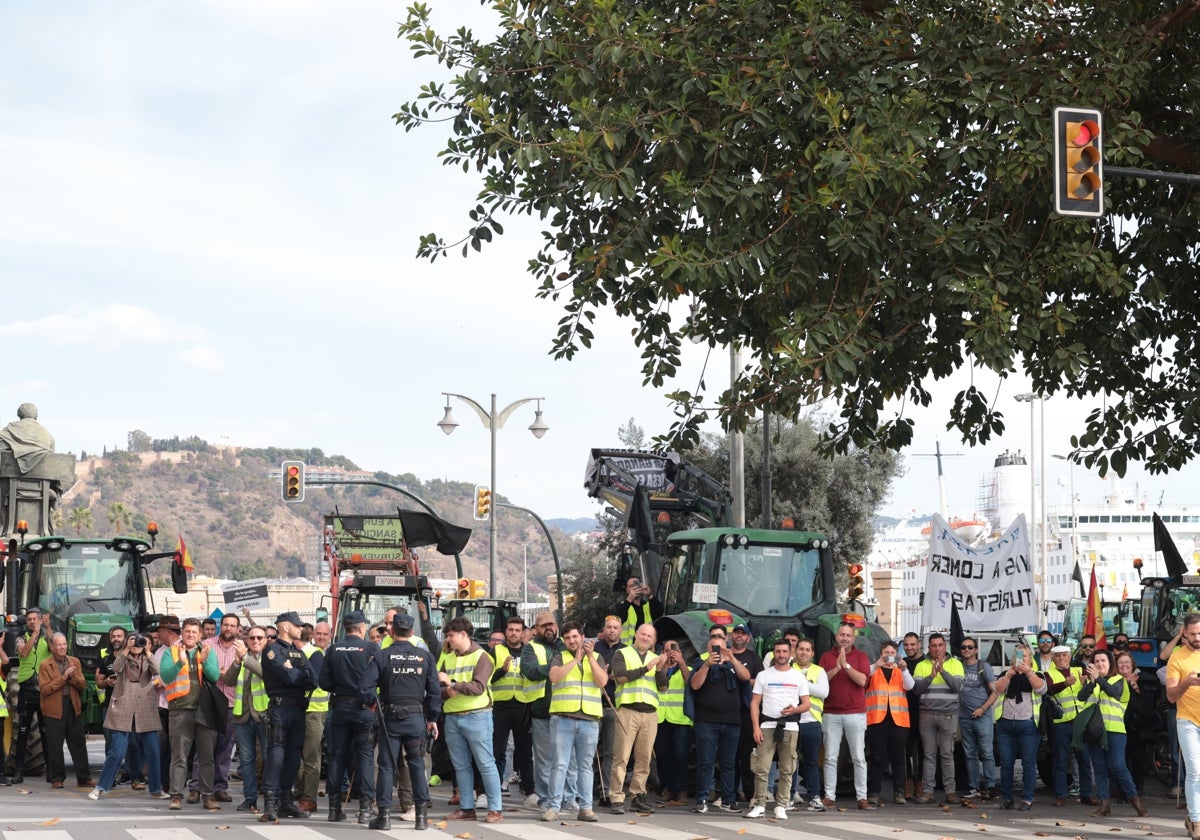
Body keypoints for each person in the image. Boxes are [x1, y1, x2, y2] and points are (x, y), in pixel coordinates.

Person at [366, 611, 442, 830]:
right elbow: (434, 691)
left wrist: (374, 702)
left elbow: (365, 688)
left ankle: (384, 816)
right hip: (416, 717)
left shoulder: (382, 655)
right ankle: (420, 817)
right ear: (411, 631)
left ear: (392, 631)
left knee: (387, 765)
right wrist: (433, 718)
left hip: (390, 717)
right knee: (417, 765)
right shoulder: (424, 656)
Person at [440, 616, 503, 823]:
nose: (448, 639)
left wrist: (454, 684)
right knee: (461, 766)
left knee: (485, 763)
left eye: (450, 635)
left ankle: (495, 809)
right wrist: (446, 691)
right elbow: (435, 686)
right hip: (453, 716)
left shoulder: (482, 657)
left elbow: (478, 688)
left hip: (477, 715)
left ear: (463, 634)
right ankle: (467, 807)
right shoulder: (447, 657)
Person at [542, 621, 607, 822]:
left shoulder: (596, 657)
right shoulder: (559, 657)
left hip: (589, 720)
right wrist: (575, 660)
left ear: (582, 637)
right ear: (563, 640)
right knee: (559, 764)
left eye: (575, 637)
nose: (572, 640)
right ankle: (553, 807)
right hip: (563, 719)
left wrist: (588, 658)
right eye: (568, 637)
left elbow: (602, 681)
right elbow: (554, 677)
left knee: (585, 766)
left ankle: (586, 808)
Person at [89, 633, 166, 800]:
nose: (137, 645)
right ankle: (101, 787)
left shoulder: (148, 658)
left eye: (140, 642)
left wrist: (147, 651)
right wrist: (125, 650)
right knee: (116, 751)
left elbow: (158, 671)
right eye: (134, 642)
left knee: (153, 750)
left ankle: (155, 789)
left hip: (145, 706)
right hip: (123, 706)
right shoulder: (122, 657)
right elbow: (115, 668)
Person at [319, 609, 378, 825]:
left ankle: (334, 809)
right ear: (362, 628)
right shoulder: (371, 648)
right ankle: (364, 809)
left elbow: (323, 682)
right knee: (364, 757)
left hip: (341, 706)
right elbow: (379, 677)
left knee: (337, 756)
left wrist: (340, 687)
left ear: (345, 628)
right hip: (364, 708)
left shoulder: (334, 649)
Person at [259, 611, 318, 822]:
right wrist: (297, 674)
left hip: (297, 709)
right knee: (276, 755)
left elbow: (313, 679)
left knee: (294, 755)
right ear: (285, 627)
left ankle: (285, 800)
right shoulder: (272, 651)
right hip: (280, 708)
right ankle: (270, 803)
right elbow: (289, 677)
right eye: (296, 625)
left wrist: (296, 673)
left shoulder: (297, 651)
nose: (300, 628)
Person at [159, 617, 221, 810]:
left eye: (194, 632)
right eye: (188, 632)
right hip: (180, 710)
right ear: (182, 633)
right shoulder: (171, 652)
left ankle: (208, 795)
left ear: (200, 634)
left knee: (206, 756)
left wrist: (203, 662)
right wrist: (180, 663)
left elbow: (215, 676)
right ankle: (176, 796)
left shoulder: (207, 652)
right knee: (179, 755)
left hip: (204, 711)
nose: (191, 635)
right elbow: (166, 676)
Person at [1078, 648, 1148, 817]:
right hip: (1095, 732)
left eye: (1103, 661)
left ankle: (1134, 799)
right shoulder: (1092, 681)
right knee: (1100, 768)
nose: (1100, 664)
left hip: (1115, 730)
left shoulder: (1119, 680)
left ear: (1110, 664)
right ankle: (1104, 804)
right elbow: (1081, 697)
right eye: (1096, 661)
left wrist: (1099, 679)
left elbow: (1114, 692)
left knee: (1117, 765)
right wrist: (1092, 682)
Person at [746, 639, 810, 819]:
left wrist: (795, 709)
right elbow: (755, 703)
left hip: (790, 727)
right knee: (761, 767)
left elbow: (806, 704)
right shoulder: (764, 675)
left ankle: (781, 805)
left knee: (787, 768)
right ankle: (759, 804)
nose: (781, 655)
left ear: (791, 654)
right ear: (773, 653)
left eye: (784, 651)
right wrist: (756, 727)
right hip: (767, 726)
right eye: (778, 651)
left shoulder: (798, 677)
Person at [608, 623, 668, 815]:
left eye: (650, 636)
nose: (645, 638)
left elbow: (663, 687)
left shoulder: (655, 659)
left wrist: (659, 670)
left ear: (654, 640)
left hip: (650, 714)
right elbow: (620, 677)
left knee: (644, 759)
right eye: (643, 634)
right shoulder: (623, 654)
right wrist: (646, 668)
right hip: (628, 711)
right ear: (636, 635)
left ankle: (637, 796)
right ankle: (616, 797)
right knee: (622, 757)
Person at [690, 624, 750, 814]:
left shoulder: (733, 664)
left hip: (732, 722)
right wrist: (708, 664)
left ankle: (728, 799)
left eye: (721, 646)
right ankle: (701, 799)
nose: (717, 650)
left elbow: (746, 677)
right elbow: (695, 685)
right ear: (708, 649)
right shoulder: (701, 664)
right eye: (713, 647)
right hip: (706, 722)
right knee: (706, 763)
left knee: (728, 763)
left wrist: (731, 657)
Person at [520, 611, 570, 812]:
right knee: (544, 760)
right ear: (536, 629)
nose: (548, 628)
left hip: (566, 710)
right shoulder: (530, 648)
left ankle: (566, 798)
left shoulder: (565, 645)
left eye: (551, 624)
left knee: (566, 759)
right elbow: (531, 671)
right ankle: (544, 797)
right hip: (542, 712)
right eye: (543, 625)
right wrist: (555, 667)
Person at [820, 623, 873, 810]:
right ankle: (829, 796)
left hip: (855, 713)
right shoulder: (826, 657)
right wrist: (836, 667)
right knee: (830, 758)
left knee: (858, 757)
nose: (844, 638)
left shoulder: (861, 657)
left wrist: (846, 665)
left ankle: (862, 797)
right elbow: (821, 682)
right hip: (831, 713)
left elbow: (863, 681)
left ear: (853, 638)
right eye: (842, 634)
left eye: (848, 635)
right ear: (836, 636)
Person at [191, 613, 240, 805]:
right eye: (225, 625)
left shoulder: (240, 648)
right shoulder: (207, 644)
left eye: (232, 625)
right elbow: (203, 670)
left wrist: (222, 672)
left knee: (224, 749)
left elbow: (236, 674)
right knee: (203, 750)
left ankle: (220, 787)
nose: (228, 628)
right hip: (209, 703)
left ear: (237, 629)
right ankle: (196, 787)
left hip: (230, 704)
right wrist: (221, 672)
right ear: (221, 626)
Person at [989, 642, 1045, 811]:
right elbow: (997, 690)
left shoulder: (1037, 674)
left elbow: (1041, 689)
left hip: (1028, 724)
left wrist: (1028, 672)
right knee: (1006, 763)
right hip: (1006, 724)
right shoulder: (1007, 673)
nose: (1021, 659)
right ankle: (1007, 798)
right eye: (1017, 656)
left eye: (1024, 656)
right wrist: (1009, 676)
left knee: (1028, 762)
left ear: (1030, 659)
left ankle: (1027, 798)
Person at [221, 623, 269, 813]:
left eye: (259, 638)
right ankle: (250, 799)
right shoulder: (242, 658)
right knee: (247, 760)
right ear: (247, 640)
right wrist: (236, 662)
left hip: (264, 716)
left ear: (265, 640)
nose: (255, 641)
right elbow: (229, 680)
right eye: (252, 638)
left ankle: (271, 798)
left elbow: (265, 674)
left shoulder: (270, 657)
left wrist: (245, 658)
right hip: (242, 716)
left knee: (269, 758)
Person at [490, 616, 537, 809]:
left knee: (525, 752)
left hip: (523, 706)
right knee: (496, 751)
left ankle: (530, 792)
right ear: (506, 632)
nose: (514, 633)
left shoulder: (529, 651)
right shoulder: (495, 651)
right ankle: (490, 790)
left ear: (523, 632)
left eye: (518, 630)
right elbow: (487, 678)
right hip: (501, 706)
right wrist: (502, 670)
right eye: (510, 629)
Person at [912, 632, 964, 805]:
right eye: (933, 645)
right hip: (927, 714)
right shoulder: (921, 665)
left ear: (945, 646)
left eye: (940, 645)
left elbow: (958, 687)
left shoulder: (956, 664)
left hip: (948, 714)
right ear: (929, 648)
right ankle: (928, 791)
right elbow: (917, 689)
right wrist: (932, 675)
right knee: (928, 754)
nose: (937, 648)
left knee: (947, 753)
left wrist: (943, 671)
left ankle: (950, 791)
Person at [39, 632, 92, 789]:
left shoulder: (74, 661)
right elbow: (45, 689)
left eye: (64, 644)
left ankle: (84, 778)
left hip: (73, 706)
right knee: (55, 745)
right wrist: (63, 678)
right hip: (54, 708)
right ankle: (57, 778)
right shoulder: (45, 665)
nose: (62, 647)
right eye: (59, 645)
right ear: (53, 647)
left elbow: (82, 685)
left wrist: (73, 677)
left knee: (78, 743)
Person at [1044, 644, 1093, 806]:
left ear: (1070, 657)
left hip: (1080, 723)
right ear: (1053, 658)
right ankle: (1060, 795)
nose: (1062, 658)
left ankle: (1086, 794)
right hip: (1061, 723)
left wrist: (1086, 682)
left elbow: (1092, 686)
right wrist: (1065, 684)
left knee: (1084, 759)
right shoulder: (1048, 674)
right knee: (1060, 760)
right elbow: (1048, 690)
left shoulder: (1080, 671)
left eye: (1065, 655)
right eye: (1058, 656)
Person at [865, 641, 912, 806]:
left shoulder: (900, 672)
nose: (889, 654)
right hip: (877, 719)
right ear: (881, 653)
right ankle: (874, 792)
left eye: (892, 651)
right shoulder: (874, 670)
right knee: (877, 758)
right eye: (886, 651)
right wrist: (876, 665)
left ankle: (899, 792)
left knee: (898, 758)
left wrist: (905, 669)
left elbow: (910, 686)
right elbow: (864, 679)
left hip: (898, 720)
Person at [1166, 613, 1200, 839]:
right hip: (1187, 720)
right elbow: (1170, 696)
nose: (1198, 637)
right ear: (1184, 634)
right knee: (1195, 771)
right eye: (1193, 633)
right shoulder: (1176, 658)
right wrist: (1186, 683)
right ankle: (1196, 820)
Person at [12, 607, 51, 784]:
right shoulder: (21, 638)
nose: (32, 621)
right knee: (22, 732)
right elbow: (24, 652)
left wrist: (48, 629)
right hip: (27, 691)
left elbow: (56, 648)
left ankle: (51, 770)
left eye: (35, 618)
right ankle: (19, 771)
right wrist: (34, 634)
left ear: (40, 620)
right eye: (29, 619)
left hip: (44, 691)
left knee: (46, 732)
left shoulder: (46, 638)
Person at [728, 622, 764, 805]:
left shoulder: (753, 658)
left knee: (748, 757)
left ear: (748, 638)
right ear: (731, 636)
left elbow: (761, 681)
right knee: (729, 758)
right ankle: (729, 794)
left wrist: (744, 679)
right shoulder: (724, 654)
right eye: (736, 633)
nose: (739, 636)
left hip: (748, 714)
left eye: (743, 634)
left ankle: (751, 795)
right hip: (728, 714)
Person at [654, 639, 692, 806]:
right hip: (660, 718)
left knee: (681, 756)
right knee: (663, 756)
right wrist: (661, 666)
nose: (671, 652)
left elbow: (692, 684)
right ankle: (668, 789)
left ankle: (682, 790)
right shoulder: (657, 669)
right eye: (667, 649)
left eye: (674, 649)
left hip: (680, 719)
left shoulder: (686, 668)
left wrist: (681, 663)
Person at [957, 636, 995, 801]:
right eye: (964, 647)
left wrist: (983, 708)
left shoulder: (983, 667)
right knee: (969, 754)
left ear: (976, 650)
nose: (967, 650)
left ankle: (990, 786)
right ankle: (974, 787)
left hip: (983, 717)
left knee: (987, 753)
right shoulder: (957, 666)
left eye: (970, 647)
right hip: (964, 717)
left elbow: (995, 691)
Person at [297, 622, 329, 814]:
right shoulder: (309, 653)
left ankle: (308, 798)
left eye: (325, 633)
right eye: (319, 633)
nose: (322, 637)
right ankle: (301, 792)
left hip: (316, 711)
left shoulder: (316, 655)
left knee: (311, 757)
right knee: (297, 757)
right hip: (300, 711)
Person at [794, 637, 829, 811]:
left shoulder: (819, 671)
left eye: (808, 649)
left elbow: (824, 692)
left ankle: (814, 796)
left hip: (812, 722)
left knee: (812, 762)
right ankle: (790, 795)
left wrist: (801, 683)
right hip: (792, 722)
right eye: (801, 649)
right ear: (796, 651)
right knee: (790, 762)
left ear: (813, 653)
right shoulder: (788, 668)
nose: (804, 652)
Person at [1116, 650, 1158, 796]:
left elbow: (1147, 705)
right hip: (1119, 726)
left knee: (1138, 762)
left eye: (1127, 662)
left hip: (1137, 729)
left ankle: (1137, 792)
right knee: (1121, 762)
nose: (1124, 665)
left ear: (1132, 664)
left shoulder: (1143, 680)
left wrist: (1135, 687)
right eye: (1121, 662)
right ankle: (1122, 792)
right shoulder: (1113, 681)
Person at [593, 614, 624, 805]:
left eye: (615, 627)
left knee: (611, 753)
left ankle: (606, 792)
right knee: (590, 752)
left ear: (620, 630)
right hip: (594, 705)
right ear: (604, 630)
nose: (611, 630)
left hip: (615, 706)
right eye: (609, 627)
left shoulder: (627, 651)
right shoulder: (594, 649)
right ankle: (587, 791)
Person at [901, 631, 925, 797]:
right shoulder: (901, 664)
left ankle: (920, 782)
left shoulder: (926, 662)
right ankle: (908, 781)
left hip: (924, 711)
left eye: (912, 644)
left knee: (924, 750)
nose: (909, 648)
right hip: (904, 712)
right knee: (906, 750)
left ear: (919, 645)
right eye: (906, 645)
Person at [0, 402, 55, 473]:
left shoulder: (12, 427)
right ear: (36, 415)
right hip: (42, 475)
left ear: (19, 414)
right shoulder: (47, 434)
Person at [613, 576, 663, 645]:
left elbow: (660, 611)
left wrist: (649, 594)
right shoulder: (623, 606)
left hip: (645, 648)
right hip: (627, 649)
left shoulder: (647, 605)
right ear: (627, 590)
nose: (634, 588)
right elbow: (616, 620)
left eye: (637, 584)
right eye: (631, 586)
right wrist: (630, 598)